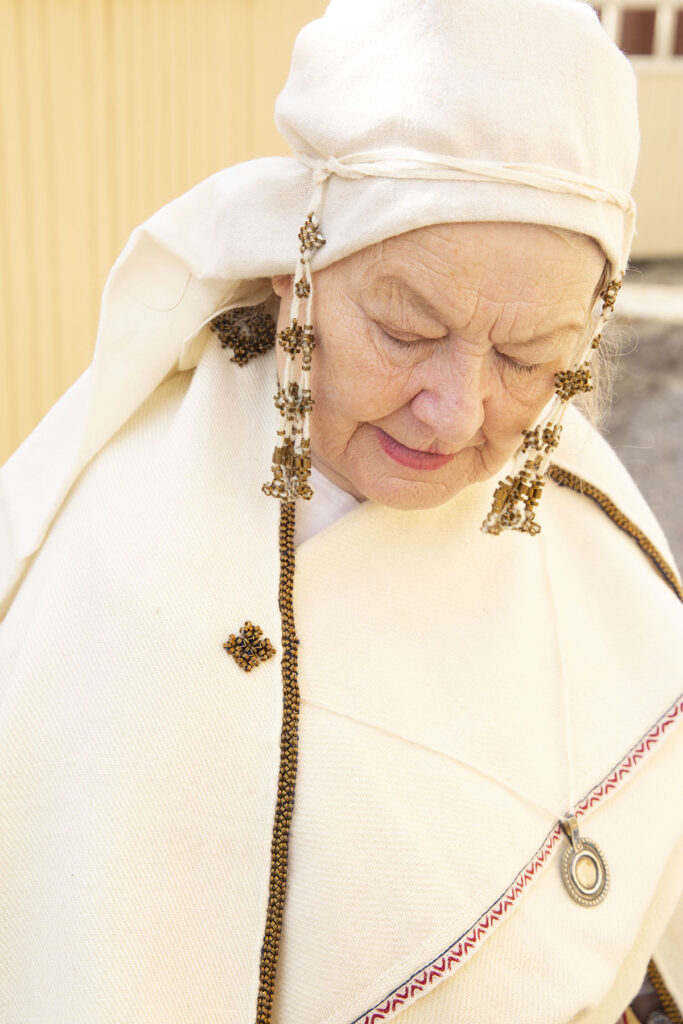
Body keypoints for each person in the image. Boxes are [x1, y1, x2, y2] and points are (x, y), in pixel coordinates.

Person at [0, 1, 681, 1022]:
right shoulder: (115, 563)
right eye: (407, 328)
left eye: (527, 357)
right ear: (294, 272)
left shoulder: (584, 510)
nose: (455, 412)